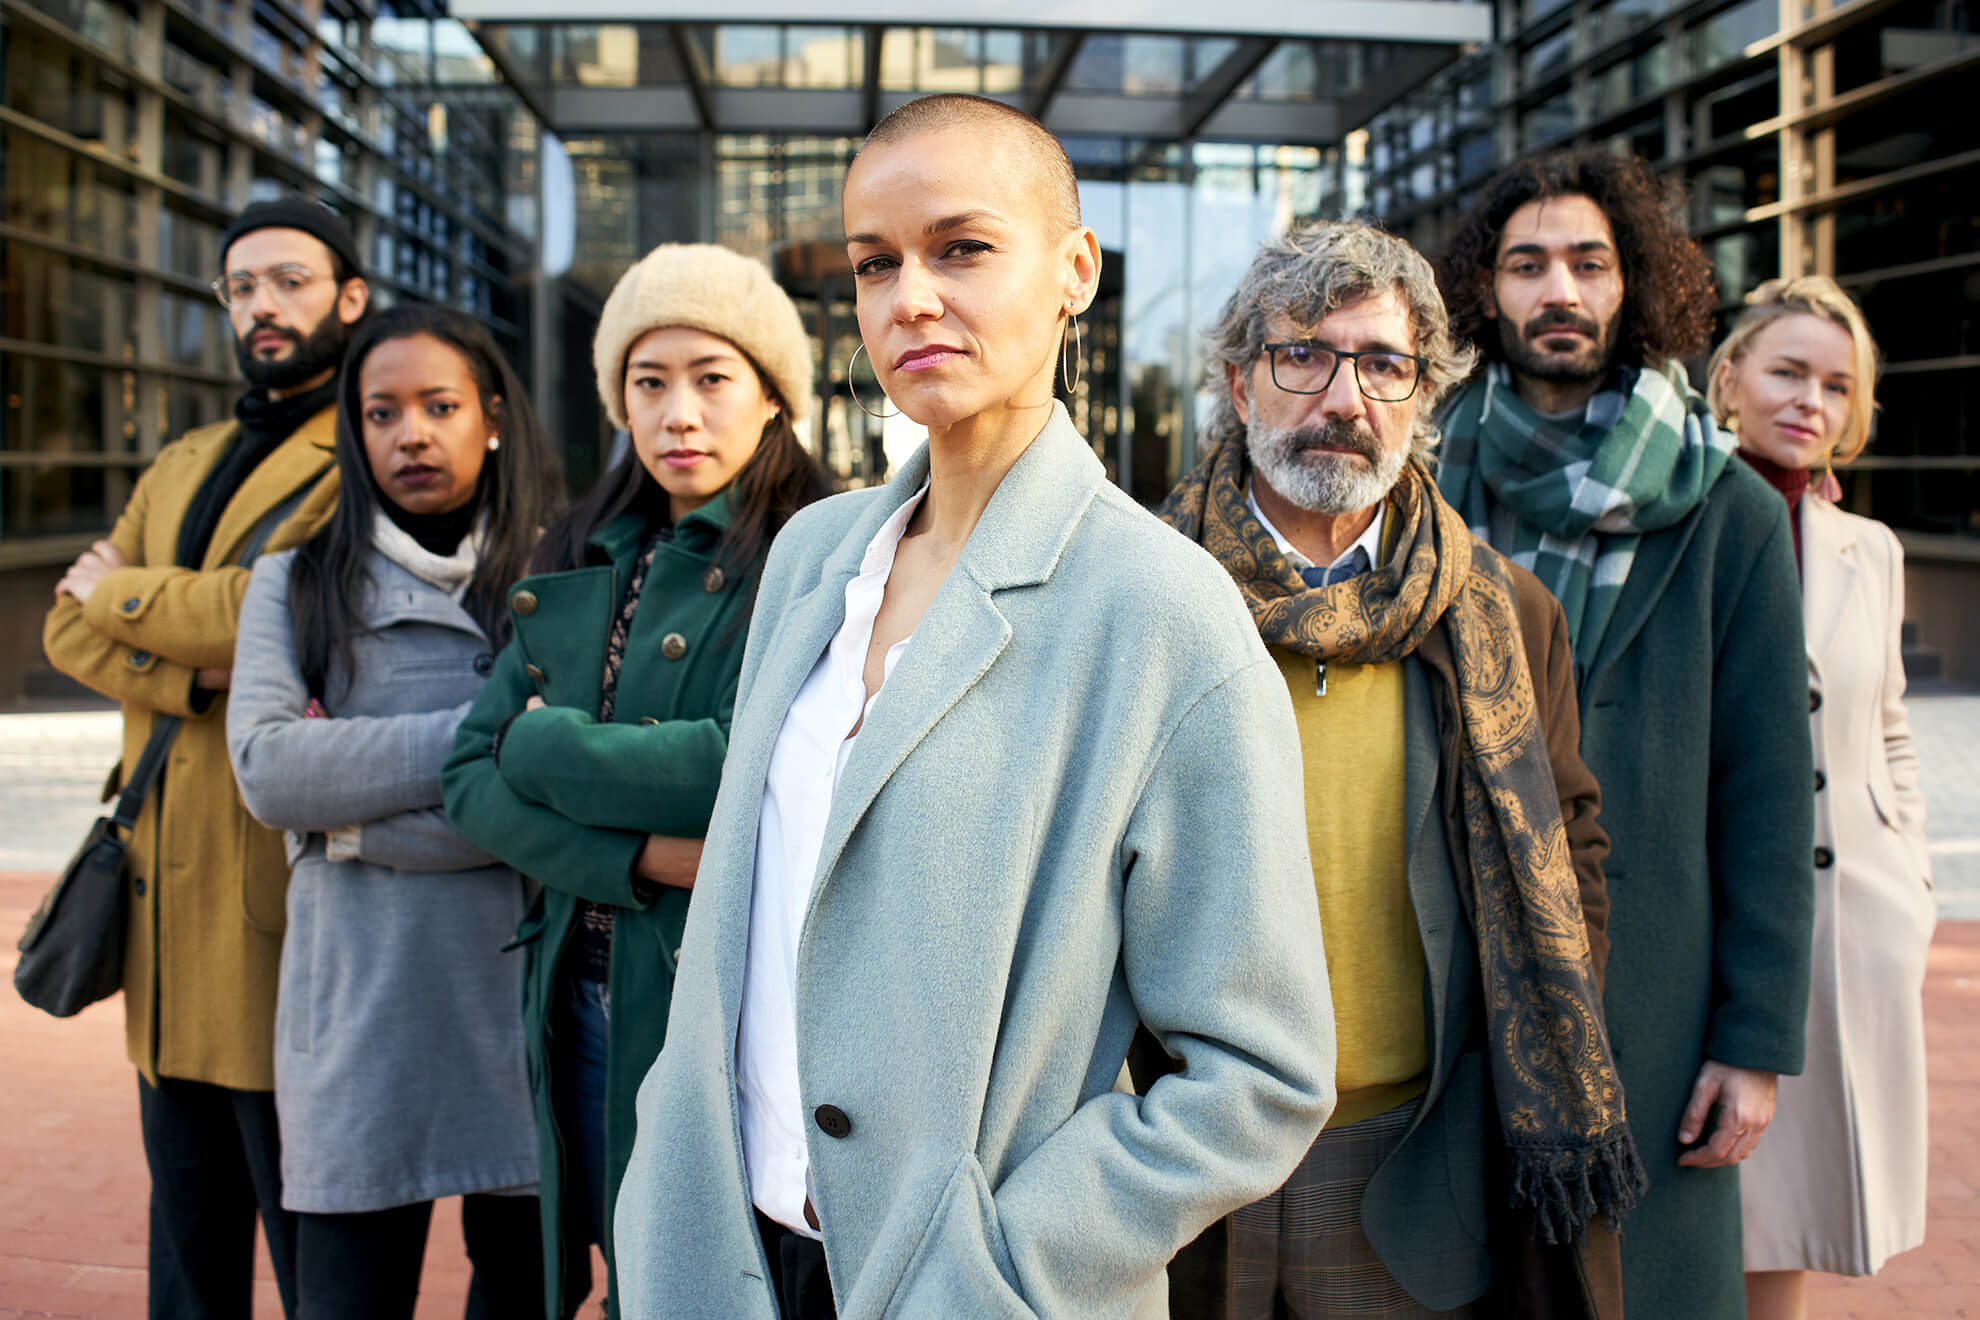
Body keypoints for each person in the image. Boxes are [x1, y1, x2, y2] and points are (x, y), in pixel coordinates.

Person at [610, 93, 1336, 1320]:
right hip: (724, 1255)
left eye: (961, 248)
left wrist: (1003, 1265)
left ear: (1074, 271)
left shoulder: (1161, 608)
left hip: (965, 1288)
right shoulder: (812, 556)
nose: (911, 298)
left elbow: (1260, 1072)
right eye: (874, 264)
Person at [1151, 219, 1634, 1319]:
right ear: (1239, 382)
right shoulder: (1142, 593)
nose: (1343, 396)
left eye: (1383, 364)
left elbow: (1574, 845)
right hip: (1177, 1148)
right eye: (1303, 355)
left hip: (1410, 1162)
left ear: (1422, 397)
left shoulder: (1504, 612)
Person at [1433, 148, 1816, 1319]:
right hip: (1457, 969)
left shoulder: (1729, 511)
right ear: (1486, 291)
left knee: (1638, 1288)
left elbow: (1769, 793)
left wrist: (1755, 1043)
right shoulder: (1428, 485)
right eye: (1528, 263)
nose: (1560, 291)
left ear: (1633, 283)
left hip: (1653, 992)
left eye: (1589, 264)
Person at [442, 242, 831, 1319]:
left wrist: (545, 749)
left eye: (712, 379)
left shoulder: (818, 554)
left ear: (771, 398)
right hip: (577, 989)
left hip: (727, 1004)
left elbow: (747, 761)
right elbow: (472, 772)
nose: (679, 414)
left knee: (710, 1280)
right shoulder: (576, 549)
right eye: (649, 383)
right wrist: (635, 855)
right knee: (611, 1265)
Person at [41, 197, 368, 1319]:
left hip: (272, 915)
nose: (263, 307)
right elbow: (60, 629)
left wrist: (122, 598)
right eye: (242, 288)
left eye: (290, 281)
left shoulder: (359, 453)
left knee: (314, 1252)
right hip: (161, 928)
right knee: (184, 1257)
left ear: (349, 298)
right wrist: (192, 677)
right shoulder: (183, 457)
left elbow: (275, 610)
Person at [224, 303, 559, 1318]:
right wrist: (488, 736)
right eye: (381, 412)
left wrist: (350, 827)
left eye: (439, 405)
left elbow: (565, 807)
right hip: (362, 1020)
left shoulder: (563, 576)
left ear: (492, 417)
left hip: (518, 1018)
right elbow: (271, 774)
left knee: (524, 1294)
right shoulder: (292, 586)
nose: (410, 432)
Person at [1706, 276, 1936, 1319]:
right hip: (1729, 919)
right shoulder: (1687, 521)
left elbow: (1888, 721)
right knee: (1720, 1195)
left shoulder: (1870, 550)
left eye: (1837, 386)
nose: (1812, 401)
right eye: (1787, 371)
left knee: (1793, 1214)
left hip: (1855, 923)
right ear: (1730, 380)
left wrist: (1914, 878)